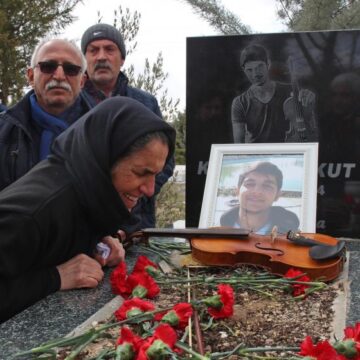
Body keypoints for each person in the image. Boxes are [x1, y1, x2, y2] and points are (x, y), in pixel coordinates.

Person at [0, 96, 176, 323]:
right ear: (104, 159)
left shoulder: (88, 189)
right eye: (141, 173)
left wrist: (100, 239)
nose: (150, 189)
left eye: (156, 174)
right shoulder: (33, 214)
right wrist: (56, 277)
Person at [80, 23, 174, 228]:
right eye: (93, 50)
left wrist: (139, 191)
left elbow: (166, 160)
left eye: (109, 49)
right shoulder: (71, 103)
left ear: (121, 59)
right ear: (85, 59)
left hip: (137, 226)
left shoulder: (146, 103)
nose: (101, 56)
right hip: (83, 225)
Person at [0, 38, 91, 191]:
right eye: (48, 66)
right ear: (30, 76)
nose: (59, 76)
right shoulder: (3, 132)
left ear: (82, 81)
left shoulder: (104, 133)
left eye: (71, 69)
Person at [231, 44, 317, 143]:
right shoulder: (239, 102)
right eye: (250, 70)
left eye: (260, 66)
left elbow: (310, 128)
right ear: (244, 70)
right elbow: (238, 144)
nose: (255, 74)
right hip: (256, 155)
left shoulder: (290, 90)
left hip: (287, 151)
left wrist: (309, 105)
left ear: (268, 64)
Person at [220, 162, 299, 235]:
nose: (257, 192)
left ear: (277, 195)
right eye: (250, 184)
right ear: (237, 191)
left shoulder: (291, 239)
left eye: (267, 186)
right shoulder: (217, 233)